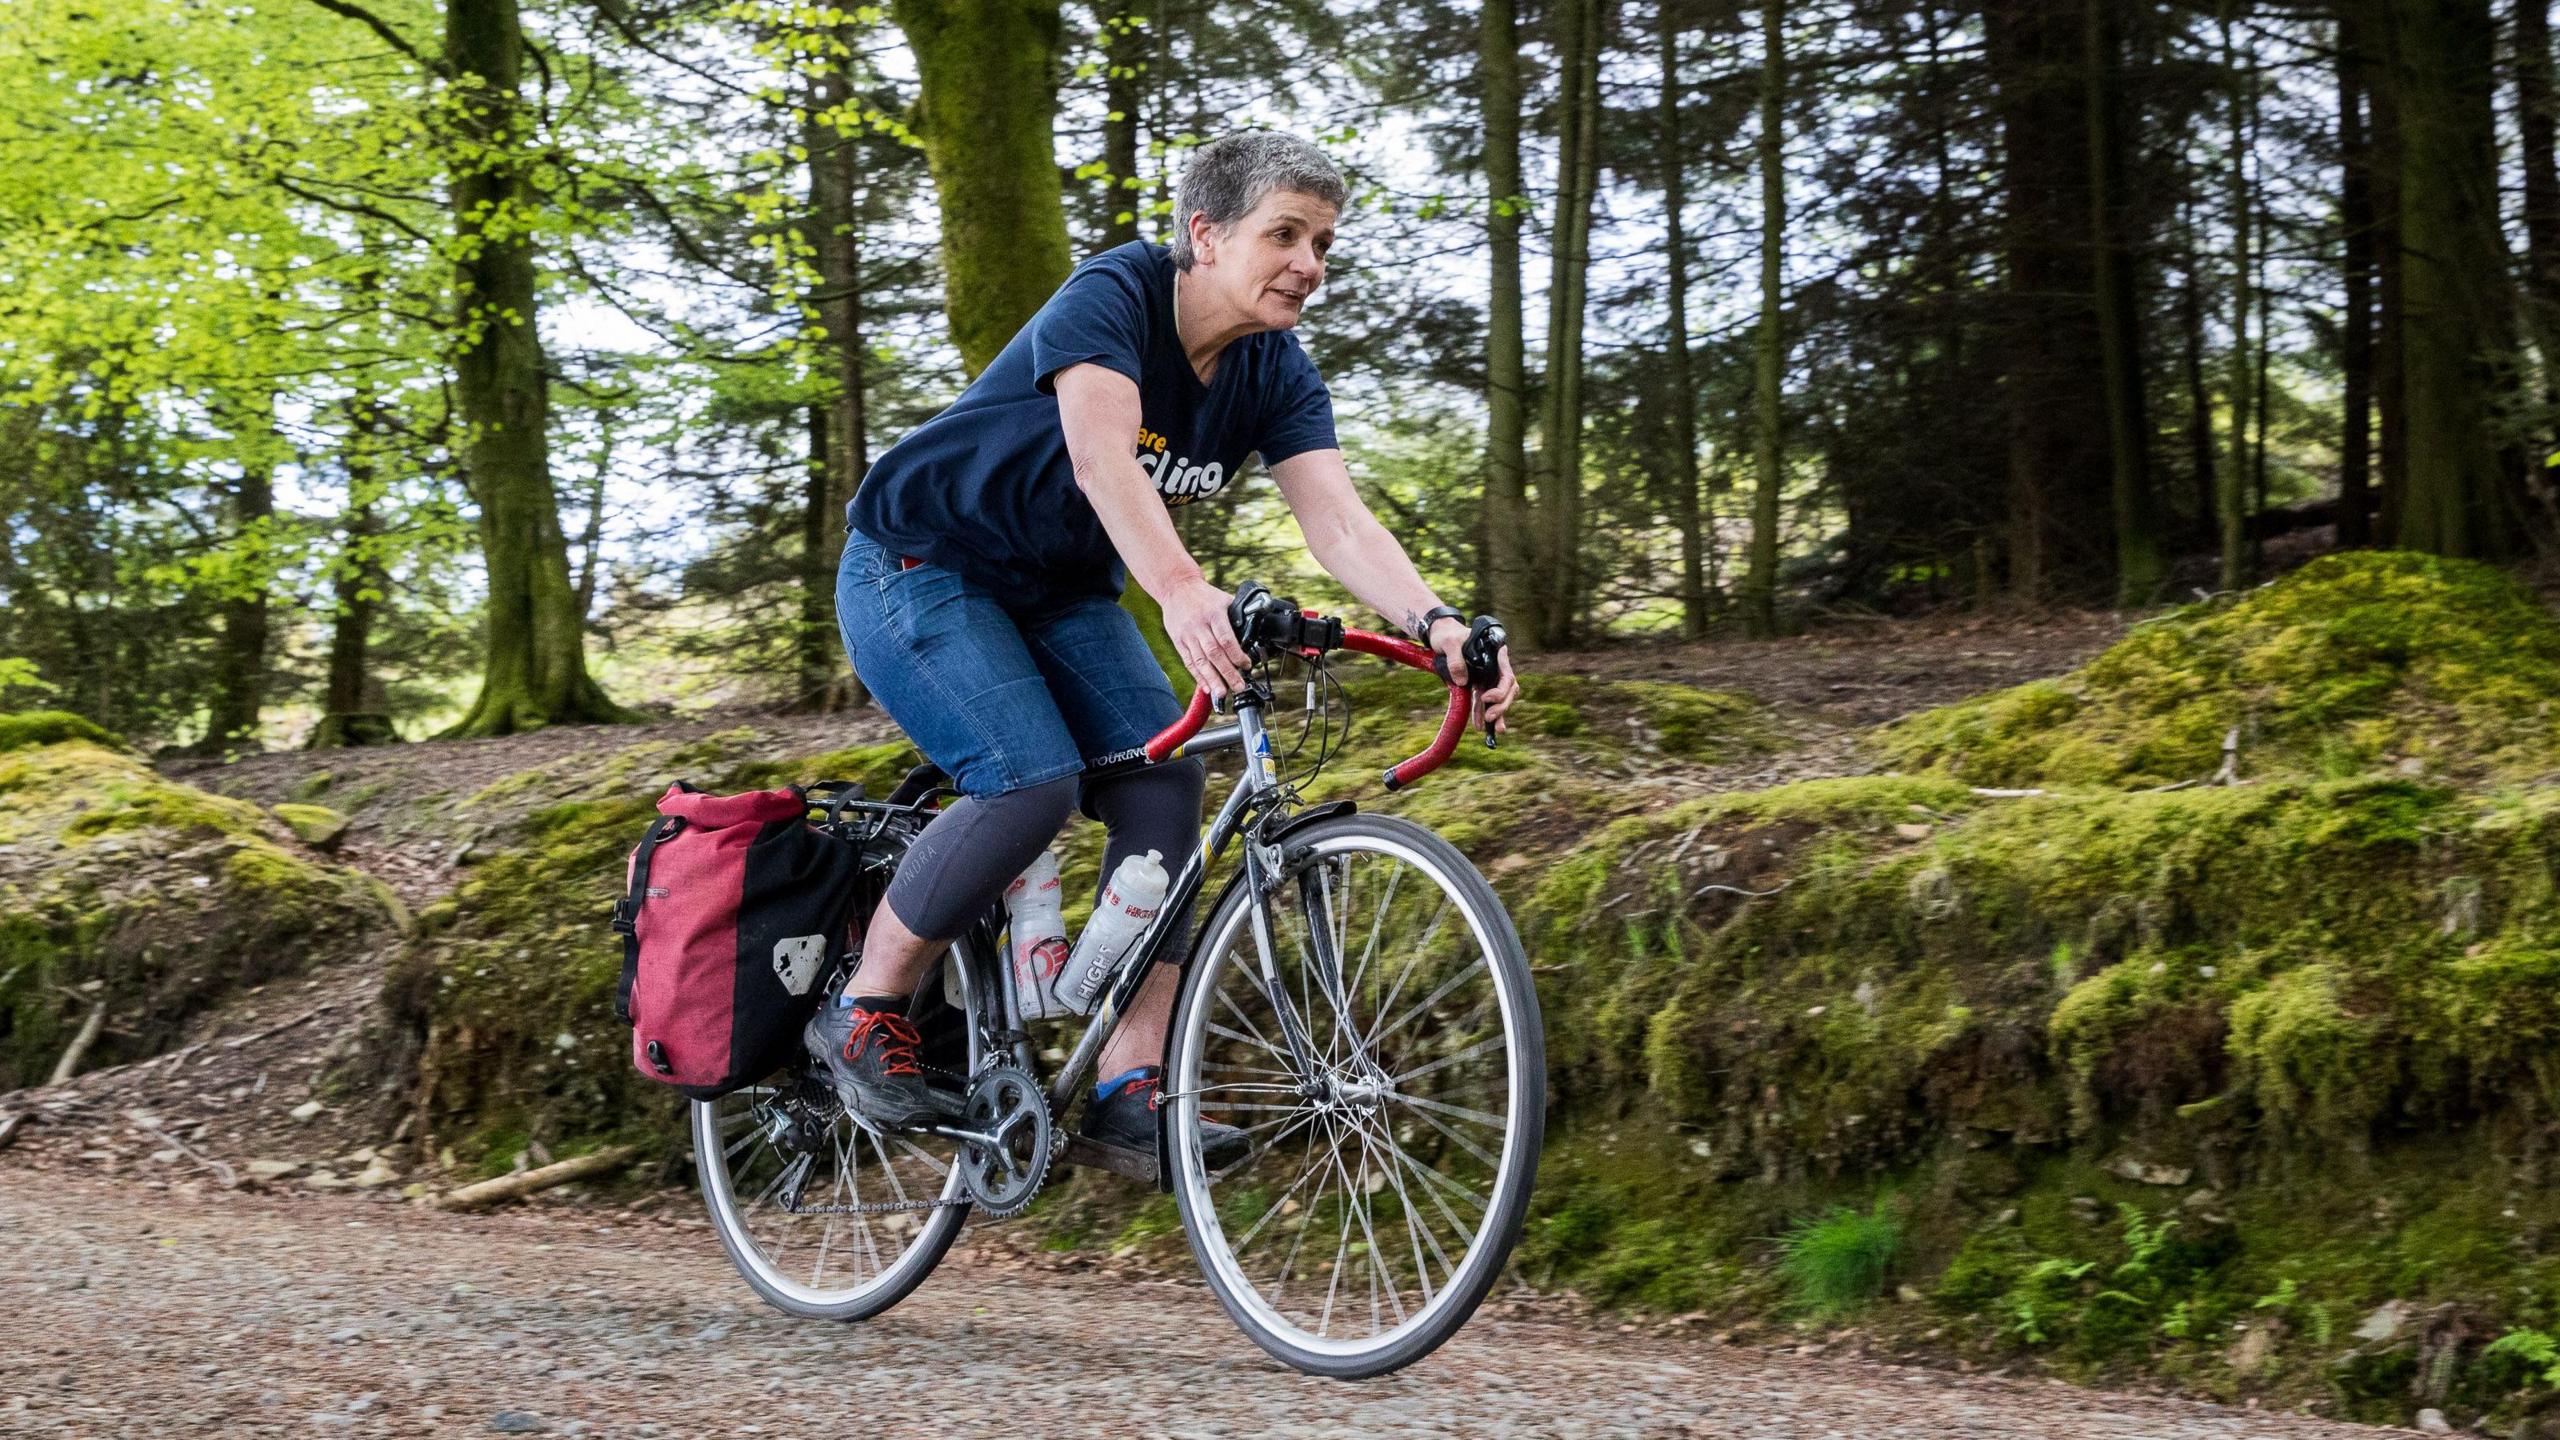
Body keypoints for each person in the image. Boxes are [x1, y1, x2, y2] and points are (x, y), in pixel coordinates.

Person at [811, 131, 1521, 1167]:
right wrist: (1185, 592)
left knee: (1166, 787)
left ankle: (1128, 1085)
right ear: (1205, 233)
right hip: (922, 564)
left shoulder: (1274, 370)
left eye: (1322, 241)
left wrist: (1441, 625)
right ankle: (867, 1010)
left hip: (1060, 593)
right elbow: (1103, 460)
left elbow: (1339, 526)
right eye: (1284, 234)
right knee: (1028, 785)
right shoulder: (1118, 294)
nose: (1309, 264)